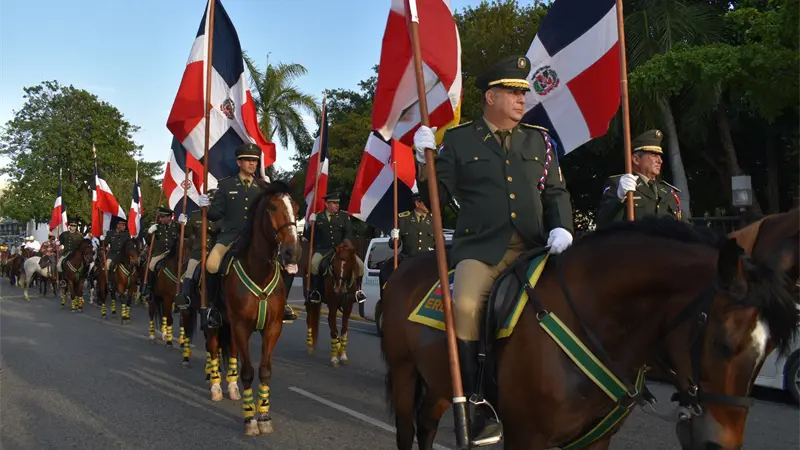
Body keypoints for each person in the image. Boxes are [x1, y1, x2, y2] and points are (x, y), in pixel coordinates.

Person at [413, 55, 575, 446]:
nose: (522, 99)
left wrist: (563, 227)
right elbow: (437, 197)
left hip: (535, 248)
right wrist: (424, 163)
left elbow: (555, 191)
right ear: (490, 97)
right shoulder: (459, 139)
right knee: (467, 306)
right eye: (513, 92)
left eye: (523, 92)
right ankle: (476, 402)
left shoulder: (540, 140)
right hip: (482, 249)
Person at [197, 143, 296, 328]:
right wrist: (206, 206)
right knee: (211, 264)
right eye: (248, 161)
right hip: (230, 237)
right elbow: (215, 214)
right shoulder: (226, 184)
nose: (252, 164)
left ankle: (284, 304)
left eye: (255, 161)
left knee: (289, 266)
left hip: (257, 239)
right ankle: (213, 308)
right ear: (239, 162)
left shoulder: (264, 187)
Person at [595, 129, 685, 228]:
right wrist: (619, 197)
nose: (660, 161)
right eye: (654, 155)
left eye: (660, 156)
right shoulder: (619, 185)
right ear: (636, 159)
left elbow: (684, 227)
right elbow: (603, 224)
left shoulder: (667, 192)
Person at [305, 192, 366, 304]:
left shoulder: (344, 217)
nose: (337, 205)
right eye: (334, 203)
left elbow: (348, 233)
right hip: (323, 250)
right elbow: (309, 236)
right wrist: (310, 225)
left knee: (361, 265)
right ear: (326, 204)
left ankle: (358, 291)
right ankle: (315, 291)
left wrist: (345, 245)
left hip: (341, 250)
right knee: (313, 264)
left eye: (338, 203)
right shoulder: (318, 217)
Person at [174, 191, 220, 311]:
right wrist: (182, 224)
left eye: (212, 201)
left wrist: (208, 217)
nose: (210, 204)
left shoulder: (221, 215)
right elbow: (188, 233)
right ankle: (186, 298)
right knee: (189, 272)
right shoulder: (195, 216)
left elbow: (217, 229)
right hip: (199, 252)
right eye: (209, 201)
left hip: (216, 252)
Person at [142, 207, 179, 299]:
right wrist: (149, 232)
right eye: (160, 217)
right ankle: (150, 289)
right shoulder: (157, 227)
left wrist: (185, 225)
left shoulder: (177, 226)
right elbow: (148, 241)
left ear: (169, 217)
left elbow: (187, 234)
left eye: (163, 217)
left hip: (174, 253)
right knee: (151, 266)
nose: (160, 219)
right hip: (160, 253)